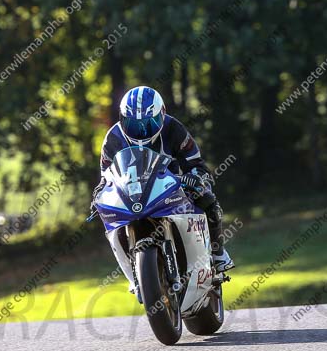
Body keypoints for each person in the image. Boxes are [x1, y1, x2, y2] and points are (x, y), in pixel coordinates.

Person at [92, 85, 235, 273]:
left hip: (172, 187)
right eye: (133, 125)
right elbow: (107, 176)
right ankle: (133, 274)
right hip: (132, 194)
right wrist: (100, 192)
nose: (142, 132)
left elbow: (197, 164)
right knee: (108, 217)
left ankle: (218, 254)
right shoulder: (113, 138)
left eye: (149, 123)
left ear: (162, 114)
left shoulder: (173, 128)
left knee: (207, 198)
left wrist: (194, 178)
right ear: (122, 118)